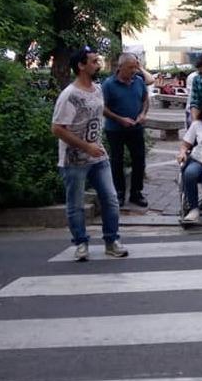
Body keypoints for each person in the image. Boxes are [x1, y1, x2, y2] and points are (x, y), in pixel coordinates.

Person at [51, 46, 128, 261]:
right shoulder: (69, 95)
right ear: (81, 66)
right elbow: (57, 128)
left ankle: (111, 240)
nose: (98, 64)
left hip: (98, 156)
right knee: (75, 203)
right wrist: (86, 147)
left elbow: (97, 112)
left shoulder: (97, 89)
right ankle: (81, 243)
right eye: (93, 61)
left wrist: (98, 142)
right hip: (73, 159)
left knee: (111, 198)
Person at [102, 53, 149, 208]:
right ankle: (119, 193)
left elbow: (145, 100)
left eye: (135, 67)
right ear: (120, 67)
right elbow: (102, 107)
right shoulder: (108, 84)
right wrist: (119, 119)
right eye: (130, 67)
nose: (134, 70)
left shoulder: (139, 81)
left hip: (135, 127)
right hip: (115, 129)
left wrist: (142, 114)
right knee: (117, 160)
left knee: (139, 160)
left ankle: (136, 192)